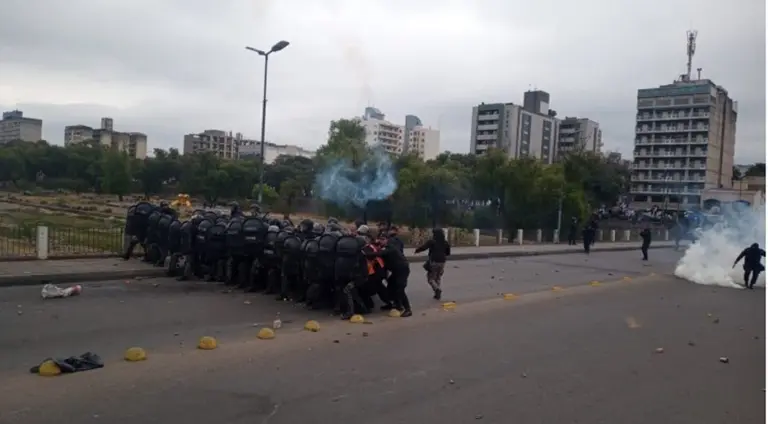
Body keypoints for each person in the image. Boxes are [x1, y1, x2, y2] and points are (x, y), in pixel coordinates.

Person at [415, 228, 451, 300]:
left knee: (430, 278)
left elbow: (423, 247)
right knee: (438, 277)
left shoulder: (432, 241)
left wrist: (417, 251)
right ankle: (437, 293)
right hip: (442, 262)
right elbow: (448, 253)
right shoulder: (445, 242)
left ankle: (437, 289)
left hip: (434, 261)